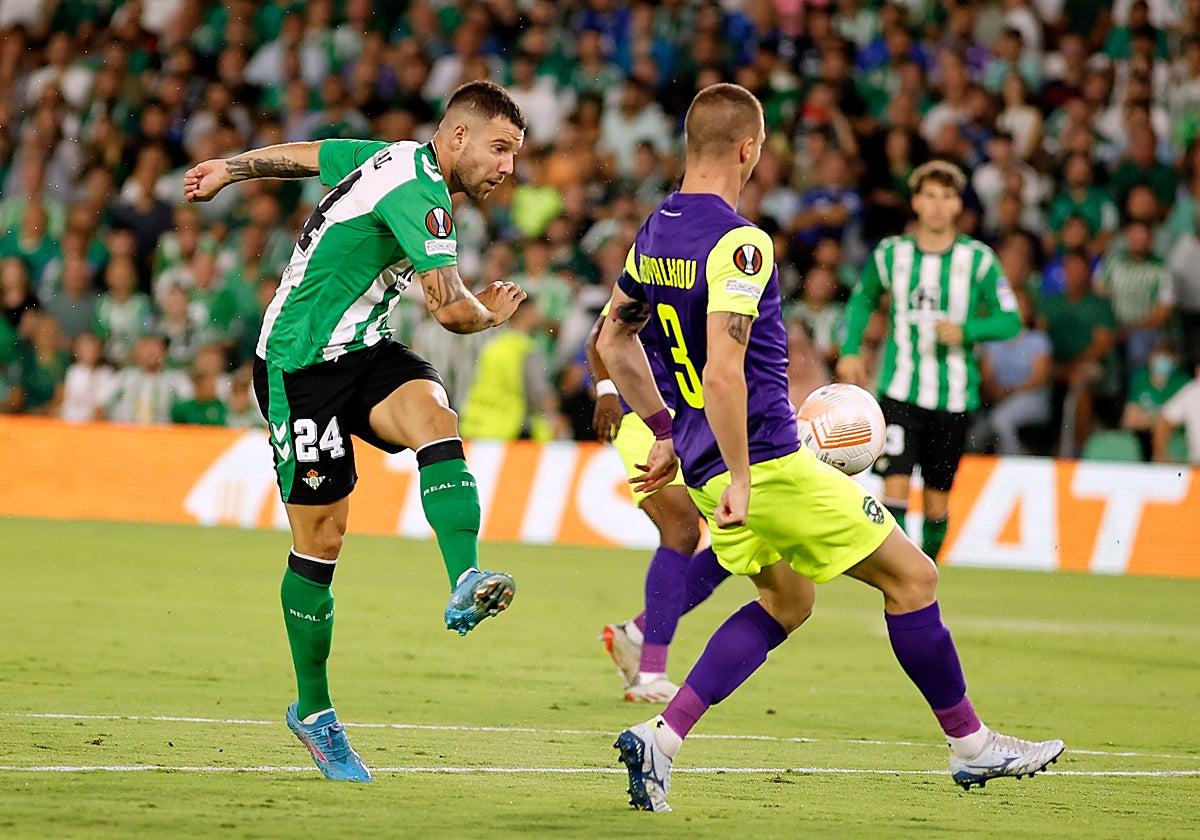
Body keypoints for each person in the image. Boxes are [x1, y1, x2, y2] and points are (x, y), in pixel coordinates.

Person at [597, 83, 1062, 813]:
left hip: (706, 468)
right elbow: (724, 370)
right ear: (748, 150)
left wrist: (663, 435)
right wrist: (749, 476)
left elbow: (611, 342)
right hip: (768, 467)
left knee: (789, 600)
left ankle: (662, 737)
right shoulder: (739, 243)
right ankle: (972, 746)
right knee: (915, 579)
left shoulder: (653, 232)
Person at [183, 80, 529, 783]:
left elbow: (313, 156)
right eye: (499, 149)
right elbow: (448, 311)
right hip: (297, 366)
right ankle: (314, 712)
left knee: (437, 416)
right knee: (322, 542)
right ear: (456, 138)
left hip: (362, 349)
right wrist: (490, 313)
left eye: (515, 156)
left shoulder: (394, 157)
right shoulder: (422, 192)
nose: (508, 169)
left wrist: (232, 167)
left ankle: (465, 576)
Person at [837, 160, 1023, 562]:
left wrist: (967, 330)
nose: (938, 205)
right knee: (895, 489)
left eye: (948, 196)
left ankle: (927, 569)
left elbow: (1011, 320)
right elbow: (863, 297)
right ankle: (900, 574)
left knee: (937, 502)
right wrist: (851, 350)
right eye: (930, 195)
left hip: (954, 398)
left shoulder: (978, 260)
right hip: (899, 391)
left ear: (959, 205)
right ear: (916, 202)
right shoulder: (892, 254)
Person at [585, 310, 730, 703]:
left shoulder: (727, 277)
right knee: (682, 528)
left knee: (742, 539)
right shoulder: (655, 260)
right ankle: (650, 675)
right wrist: (607, 391)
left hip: (702, 417)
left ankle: (636, 634)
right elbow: (601, 336)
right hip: (642, 412)